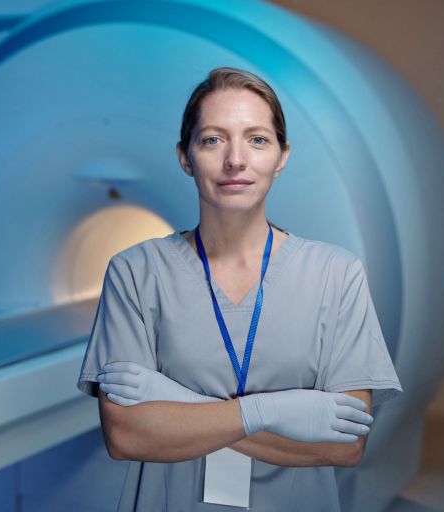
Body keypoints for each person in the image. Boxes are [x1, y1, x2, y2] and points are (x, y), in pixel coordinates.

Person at [76, 67, 402, 511]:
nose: (235, 160)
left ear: (282, 156)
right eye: (212, 139)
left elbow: (343, 447)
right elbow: (126, 434)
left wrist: (176, 403)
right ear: (185, 156)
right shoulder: (136, 272)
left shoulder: (335, 274)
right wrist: (274, 413)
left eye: (257, 139)